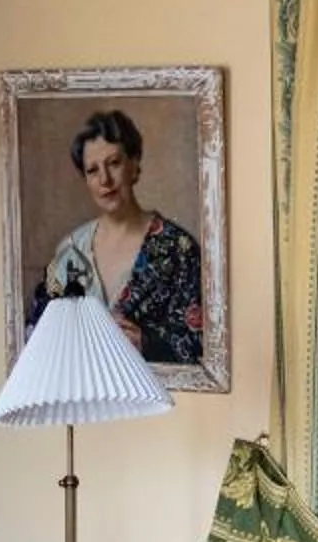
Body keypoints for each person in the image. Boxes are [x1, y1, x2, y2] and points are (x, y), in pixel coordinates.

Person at [26, 109, 205, 364]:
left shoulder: (178, 249)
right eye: (92, 170)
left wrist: (146, 341)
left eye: (114, 163)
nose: (105, 180)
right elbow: (37, 332)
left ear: (134, 165)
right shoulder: (72, 249)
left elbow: (203, 343)